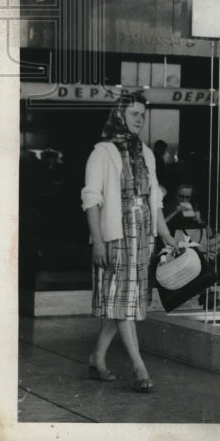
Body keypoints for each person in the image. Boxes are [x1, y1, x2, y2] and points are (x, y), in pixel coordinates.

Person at [81, 91, 177, 392]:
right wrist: (98, 242)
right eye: (134, 114)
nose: (139, 119)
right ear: (119, 115)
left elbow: (155, 201)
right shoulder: (102, 152)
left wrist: (164, 234)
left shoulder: (146, 154)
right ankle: (139, 367)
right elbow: (91, 200)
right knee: (122, 302)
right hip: (115, 235)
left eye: (143, 115)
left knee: (122, 300)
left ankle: (97, 357)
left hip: (142, 237)